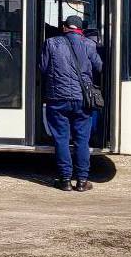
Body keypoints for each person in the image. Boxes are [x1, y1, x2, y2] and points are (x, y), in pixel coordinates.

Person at [39, 14, 103, 192]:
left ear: (65, 27)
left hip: (57, 99)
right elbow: (100, 67)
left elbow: (43, 68)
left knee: (61, 139)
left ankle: (65, 180)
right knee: (82, 140)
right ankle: (82, 181)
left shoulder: (51, 43)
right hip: (82, 99)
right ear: (80, 29)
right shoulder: (89, 45)